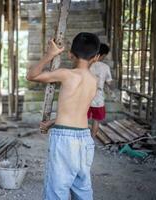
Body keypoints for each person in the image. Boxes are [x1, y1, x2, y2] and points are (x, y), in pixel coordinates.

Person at [26, 32, 100, 200]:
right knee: (82, 189)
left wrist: (49, 55)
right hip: (85, 138)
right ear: (95, 57)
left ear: (69, 54)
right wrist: (53, 122)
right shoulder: (93, 81)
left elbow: (32, 76)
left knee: (56, 190)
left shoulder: (67, 74)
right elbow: (78, 110)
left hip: (64, 140)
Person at [88, 43, 113, 138]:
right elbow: (109, 83)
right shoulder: (105, 67)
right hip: (98, 99)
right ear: (102, 55)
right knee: (96, 120)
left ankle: (82, 138)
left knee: (82, 119)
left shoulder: (87, 65)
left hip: (85, 97)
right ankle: (92, 139)